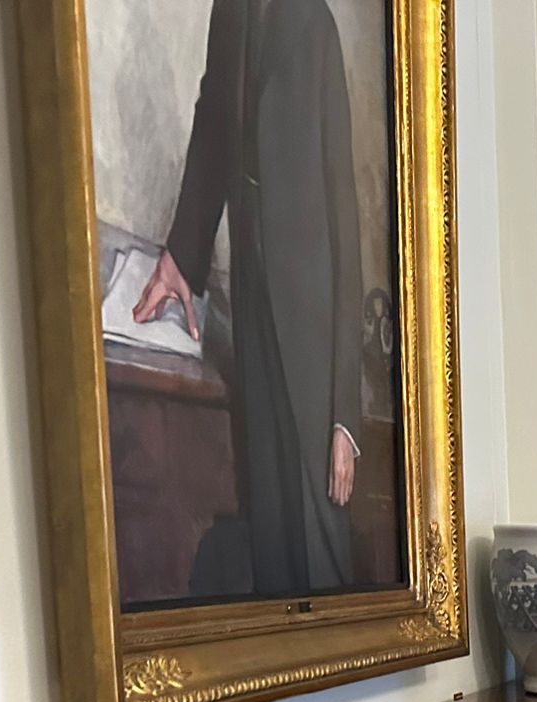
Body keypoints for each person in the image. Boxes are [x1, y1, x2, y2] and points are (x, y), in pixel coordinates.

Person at [133, 0, 364, 598]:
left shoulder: (315, 25)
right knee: (269, 539)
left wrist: (345, 414)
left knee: (320, 545)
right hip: (251, 301)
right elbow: (214, 126)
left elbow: (344, 221)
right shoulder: (229, 11)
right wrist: (181, 256)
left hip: (315, 337)